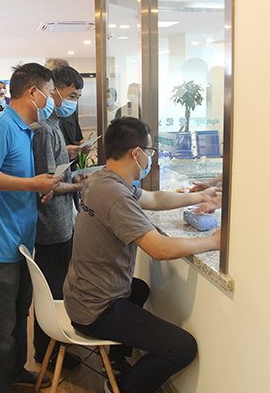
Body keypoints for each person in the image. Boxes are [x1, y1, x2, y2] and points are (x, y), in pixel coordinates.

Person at [63, 116, 221, 393]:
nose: (150, 158)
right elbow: (159, 248)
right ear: (136, 153)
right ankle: (124, 387)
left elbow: (154, 199)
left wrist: (201, 196)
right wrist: (213, 241)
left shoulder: (102, 179)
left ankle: (116, 361)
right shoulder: (115, 195)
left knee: (139, 289)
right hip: (95, 311)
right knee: (182, 347)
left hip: (79, 296)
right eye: (149, 151)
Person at [0, 62, 62, 393]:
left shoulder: (25, 130)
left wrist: (39, 188)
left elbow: (13, 179)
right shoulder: (0, 125)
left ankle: (15, 371)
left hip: (20, 242)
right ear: (33, 92)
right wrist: (31, 184)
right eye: (50, 93)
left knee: (19, 316)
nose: (52, 101)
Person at [30, 66, 86, 368]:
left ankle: (54, 347)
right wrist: (78, 185)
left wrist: (74, 177)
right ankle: (47, 352)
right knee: (51, 291)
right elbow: (46, 184)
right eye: (71, 95)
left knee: (58, 286)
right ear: (54, 92)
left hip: (62, 221)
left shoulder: (54, 126)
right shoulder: (43, 130)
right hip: (51, 225)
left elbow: (54, 174)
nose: (73, 102)